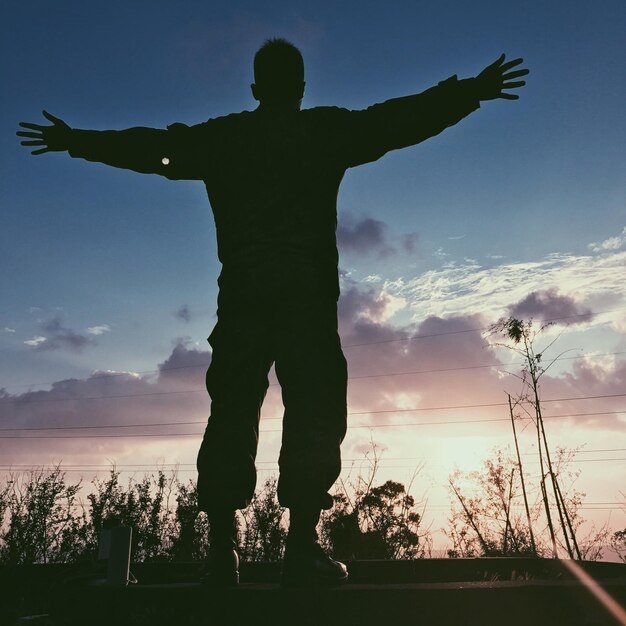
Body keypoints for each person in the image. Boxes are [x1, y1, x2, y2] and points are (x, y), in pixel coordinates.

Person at [17, 38, 528, 586]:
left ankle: (220, 553)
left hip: (243, 300)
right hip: (305, 301)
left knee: (233, 411)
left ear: (256, 88)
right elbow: (397, 121)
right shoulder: (324, 132)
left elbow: (151, 149)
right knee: (313, 409)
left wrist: (78, 142)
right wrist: (469, 92)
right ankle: (301, 546)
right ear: (302, 89)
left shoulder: (224, 139)